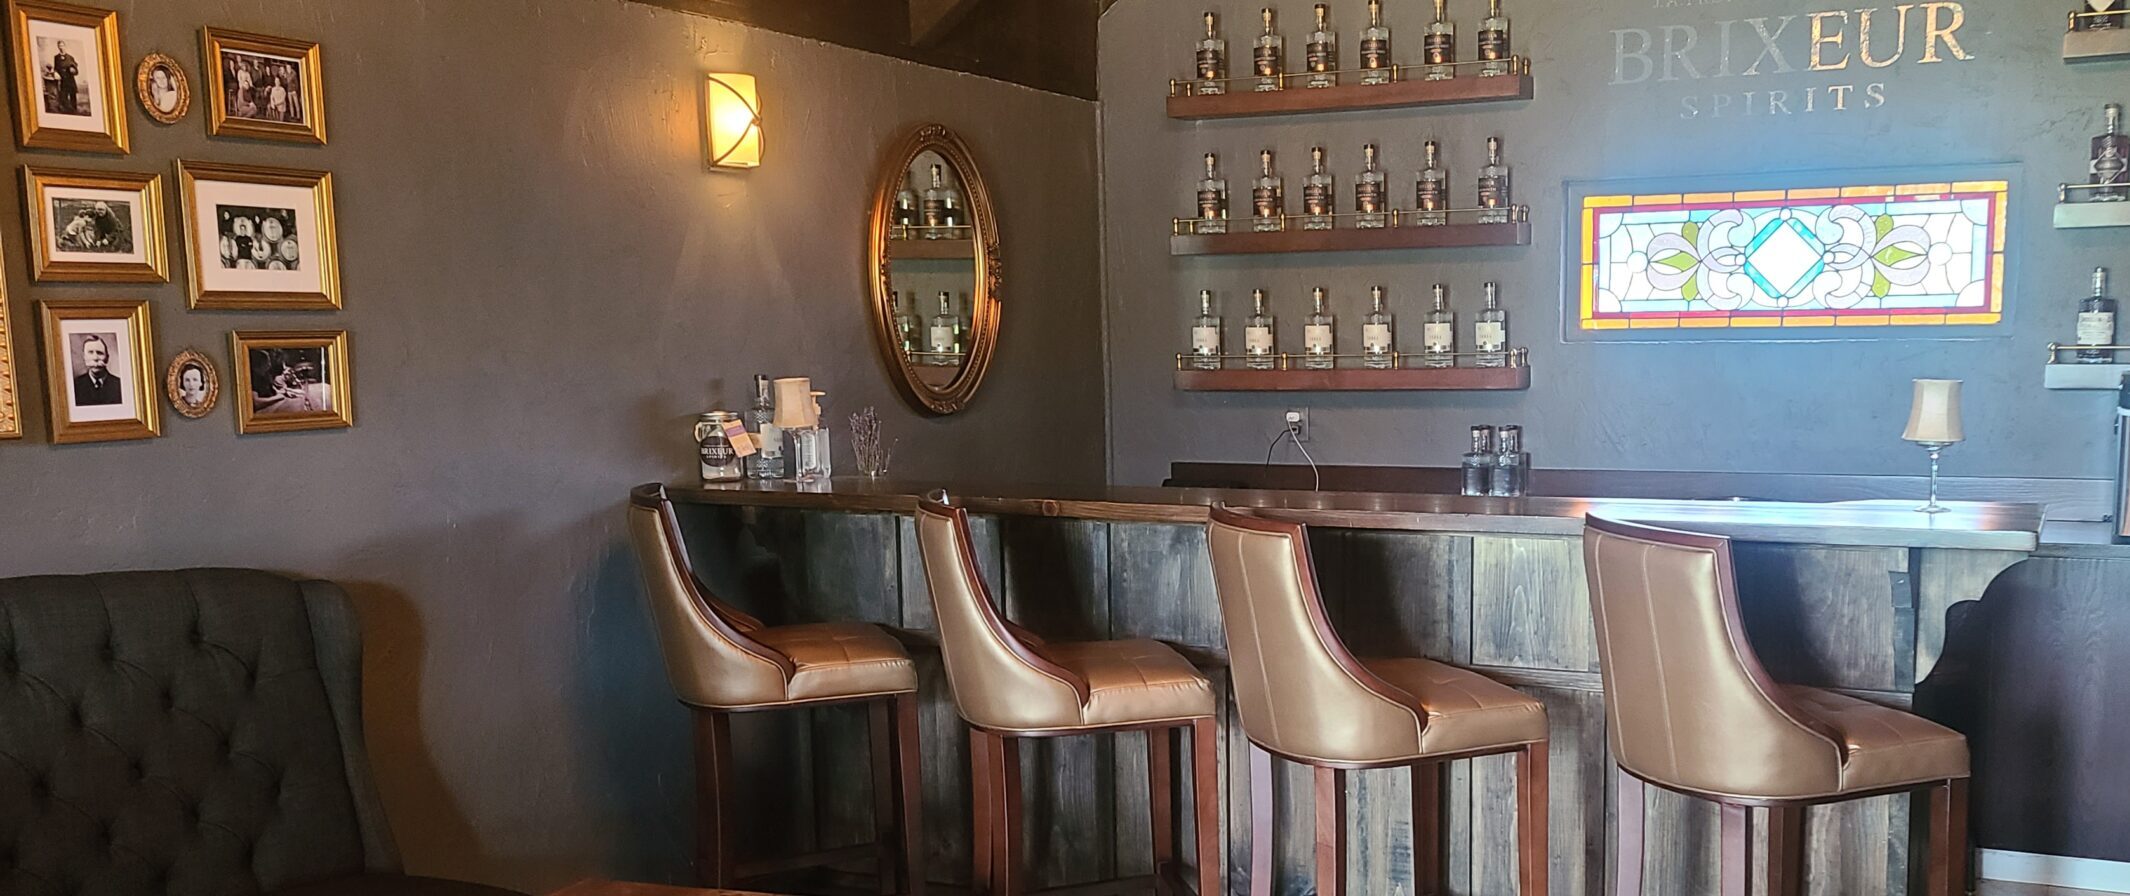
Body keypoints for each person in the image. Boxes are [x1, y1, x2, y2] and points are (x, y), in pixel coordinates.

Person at [73, 335, 121, 406]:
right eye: (90, 352)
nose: (95, 358)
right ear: (84, 357)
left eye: (100, 353)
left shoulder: (119, 385)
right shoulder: (75, 386)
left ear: (107, 358)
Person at [51, 41, 79, 115]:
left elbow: (76, 70)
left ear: (65, 46)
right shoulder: (56, 57)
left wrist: (73, 70)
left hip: (70, 80)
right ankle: (67, 111)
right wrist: (55, 73)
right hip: (62, 80)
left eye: (62, 45)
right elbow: (55, 68)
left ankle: (74, 111)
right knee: (63, 96)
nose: (61, 47)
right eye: (59, 46)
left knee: (73, 95)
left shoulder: (70, 57)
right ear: (58, 47)